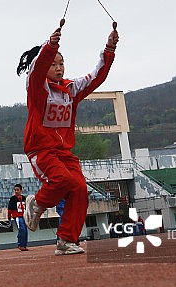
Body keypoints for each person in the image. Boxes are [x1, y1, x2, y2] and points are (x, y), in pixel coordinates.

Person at [20, 24, 118, 255]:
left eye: (61, 63)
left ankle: (65, 240)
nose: (58, 68)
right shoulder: (36, 87)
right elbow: (36, 70)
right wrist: (50, 45)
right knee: (62, 180)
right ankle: (38, 204)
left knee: (80, 189)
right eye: (52, 64)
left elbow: (96, 77)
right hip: (40, 149)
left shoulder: (70, 89)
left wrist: (109, 49)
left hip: (64, 151)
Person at [7, 184, 28, 251]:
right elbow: (9, 208)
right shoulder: (13, 199)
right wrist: (9, 217)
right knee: (21, 229)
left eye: (17, 190)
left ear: (21, 190)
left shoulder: (24, 198)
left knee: (25, 231)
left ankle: (24, 245)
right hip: (17, 216)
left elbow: (27, 208)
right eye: (15, 190)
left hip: (24, 216)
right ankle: (20, 244)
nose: (16, 191)